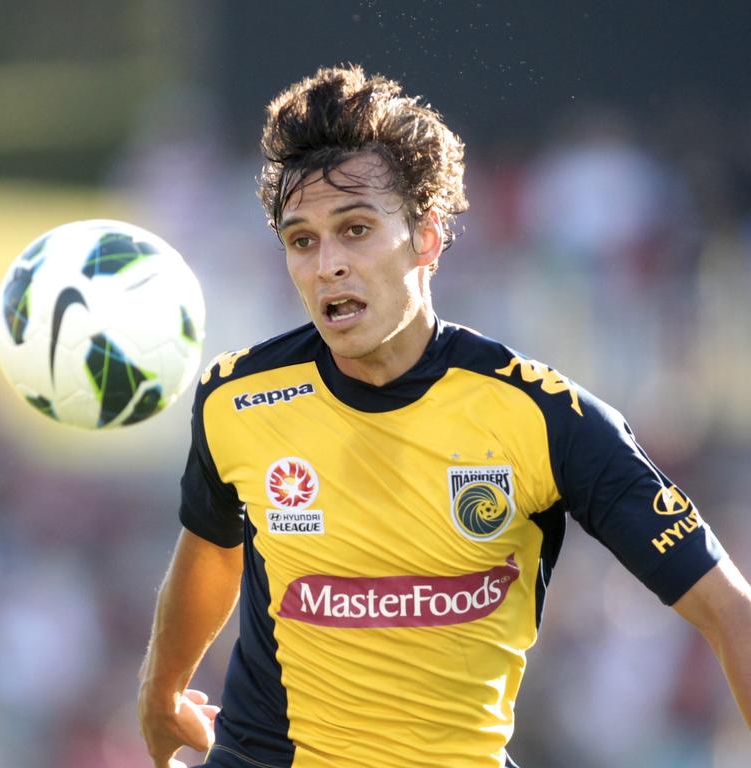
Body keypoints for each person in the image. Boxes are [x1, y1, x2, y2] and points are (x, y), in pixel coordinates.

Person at [137, 64, 751, 768]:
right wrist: (161, 693)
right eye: (302, 240)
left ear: (426, 239)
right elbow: (214, 546)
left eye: (356, 229)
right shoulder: (237, 399)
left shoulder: (543, 418)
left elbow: (730, 610)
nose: (327, 264)